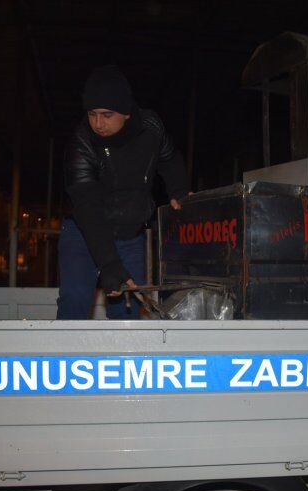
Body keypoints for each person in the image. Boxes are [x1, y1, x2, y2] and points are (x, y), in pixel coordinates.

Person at [58, 65, 190, 319]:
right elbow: (87, 207)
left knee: (126, 309)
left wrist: (179, 190)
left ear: (127, 112)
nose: (98, 123)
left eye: (107, 115)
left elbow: (170, 158)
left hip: (130, 235)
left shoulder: (151, 127)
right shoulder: (81, 143)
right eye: (92, 114)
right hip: (83, 232)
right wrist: (109, 264)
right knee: (75, 297)